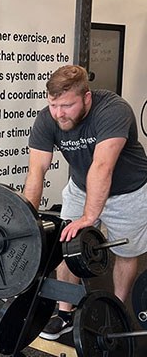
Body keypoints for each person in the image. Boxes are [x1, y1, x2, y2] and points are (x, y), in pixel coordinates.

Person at [23, 64, 147, 340]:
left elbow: (103, 166)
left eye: (66, 106)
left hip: (128, 191)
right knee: (67, 246)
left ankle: (115, 311)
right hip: (80, 188)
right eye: (53, 105)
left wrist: (89, 217)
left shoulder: (113, 110)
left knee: (126, 254)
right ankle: (65, 313)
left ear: (87, 97)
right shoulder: (48, 120)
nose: (59, 113)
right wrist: (26, 218)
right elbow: (36, 171)